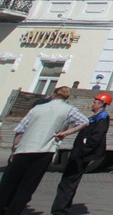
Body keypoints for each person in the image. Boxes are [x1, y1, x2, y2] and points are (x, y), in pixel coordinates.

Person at [0, 86, 89, 215]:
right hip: (45, 150)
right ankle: (15, 211)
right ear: (67, 97)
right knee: (28, 185)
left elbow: (20, 130)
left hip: (25, 148)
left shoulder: (37, 108)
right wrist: (65, 132)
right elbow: (85, 122)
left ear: (53, 94)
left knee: (10, 181)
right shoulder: (69, 109)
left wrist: (14, 149)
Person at [51, 93, 112, 215]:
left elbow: (96, 138)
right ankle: (62, 208)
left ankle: (60, 210)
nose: (92, 104)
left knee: (68, 183)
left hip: (81, 156)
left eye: (95, 102)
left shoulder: (102, 118)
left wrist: (81, 152)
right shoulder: (96, 117)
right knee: (68, 182)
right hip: (79, 154)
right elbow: (81, 128)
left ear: (101, 104)